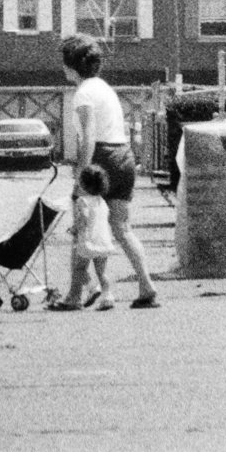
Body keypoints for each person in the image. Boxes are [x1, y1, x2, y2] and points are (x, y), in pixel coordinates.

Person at [54, 33, 159, 309]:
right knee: (121, 228)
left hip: (101, 158)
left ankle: (77, 295)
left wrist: (81, 177)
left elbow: (88, 136)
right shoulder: (105, 88)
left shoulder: (83, 93)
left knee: (85, 228)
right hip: (123, 156)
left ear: (70, 66)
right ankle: (146, 284)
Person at [64, 163, 118, 310]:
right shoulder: (102, 202)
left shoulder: (82, 201)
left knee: (79, 269)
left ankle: (93, 288)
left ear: (83, 185)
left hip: (89, 241)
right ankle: (108, 297)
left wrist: (75, 229)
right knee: (102, 272)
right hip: (104, 241)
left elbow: (83, 219)